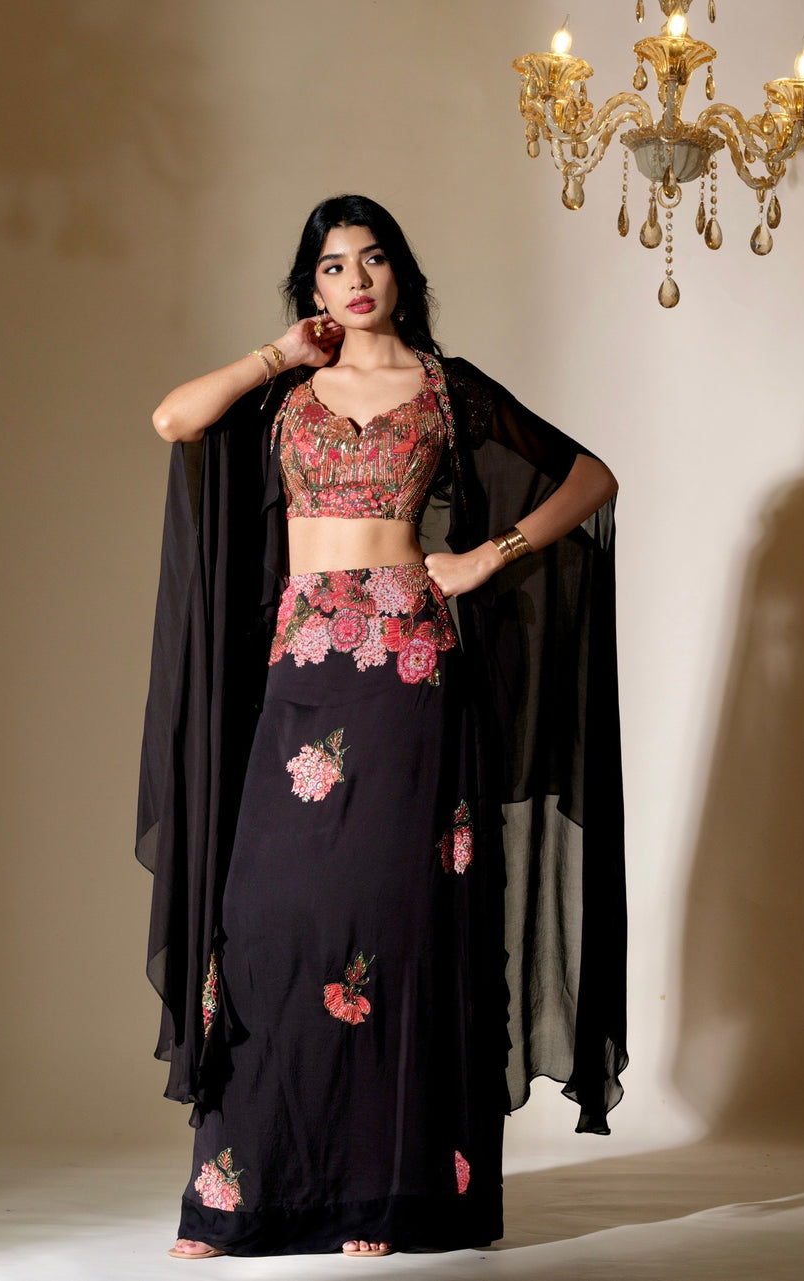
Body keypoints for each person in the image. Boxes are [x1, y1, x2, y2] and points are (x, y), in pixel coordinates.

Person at [137, 195, 627, 1260]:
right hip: (301, 664)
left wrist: (488, 555)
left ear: (401, 272)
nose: (354, 280)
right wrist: (279, 353)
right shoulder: (287, 393)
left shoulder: (448, 390)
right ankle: (239, 1193)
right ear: (310, 285)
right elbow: (175, 419)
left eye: (371, 260)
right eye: (332, 266)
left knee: (393, 925)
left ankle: (386, 1192)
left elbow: (591, 479)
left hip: (409, 670)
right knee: (266, 923)